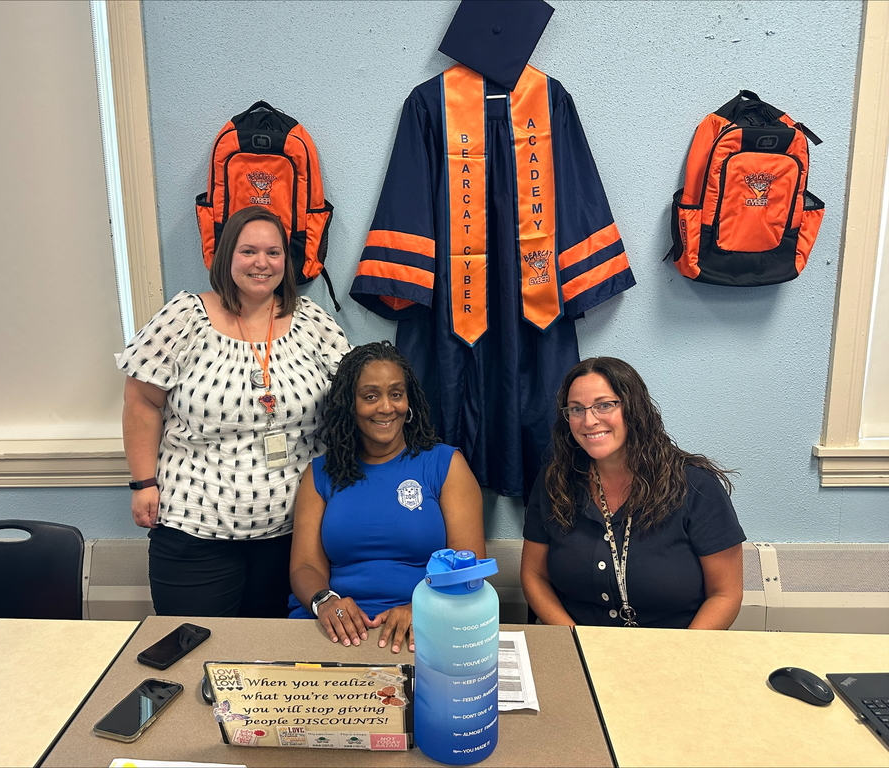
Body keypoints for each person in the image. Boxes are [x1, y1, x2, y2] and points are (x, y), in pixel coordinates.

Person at [118, 205, 350, 618]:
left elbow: (351, 399)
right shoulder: (185, 316)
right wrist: (142, 483)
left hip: (291, 536)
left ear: (287, 261)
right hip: (195, 527)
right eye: (248, 251)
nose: (262, 263)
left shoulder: (313, 321)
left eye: (273, 253)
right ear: (226, 257)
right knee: (198, 656)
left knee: (270, 664)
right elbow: (142, 401)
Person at [520, 357, 745, 629]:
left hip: (675, 651)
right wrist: (574, 642)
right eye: (576, 409)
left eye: (604, 405)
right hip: (576, 647)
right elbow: (534, 576)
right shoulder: (554, 481)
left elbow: (725, 594)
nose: (589, 420)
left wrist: (680, 658)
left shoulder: (696, 486)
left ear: (634, 408)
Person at [289, 341, 486, 652]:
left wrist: (421, 608)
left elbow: (466, 566)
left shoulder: (445, 465)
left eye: (396, 394)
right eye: (370, 396)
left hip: (423, 624)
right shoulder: (320, 473)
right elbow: (305, 566)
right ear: (349, 404)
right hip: (332, 626)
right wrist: (324, 602)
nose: (386, 407)